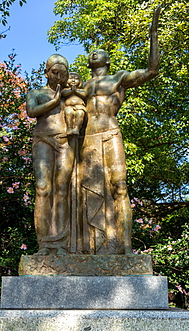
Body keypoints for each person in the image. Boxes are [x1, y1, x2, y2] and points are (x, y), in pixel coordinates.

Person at [79, 7, 160, 254]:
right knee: (88, 192)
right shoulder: (80, 86)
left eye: (100, 52)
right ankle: (92, 245)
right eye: (91, 52)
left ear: (107, 60)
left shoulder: (118, 78)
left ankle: (124, 245)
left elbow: (151, 71)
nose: (94, 52)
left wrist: (153, 35)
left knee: (119, 185)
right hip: (87, 138)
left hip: (110, 131)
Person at [26, 54, 75, 255]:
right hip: (44, 139)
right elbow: (32, 111)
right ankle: (44, 244)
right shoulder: (35, 92)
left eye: (62, 73)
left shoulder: (72, 95)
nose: (58, 77)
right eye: (54, 72)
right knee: (43, 188)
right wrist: (55, 100)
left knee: (63, 190)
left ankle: (60, 244)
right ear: (46, 72)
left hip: (66, 141)